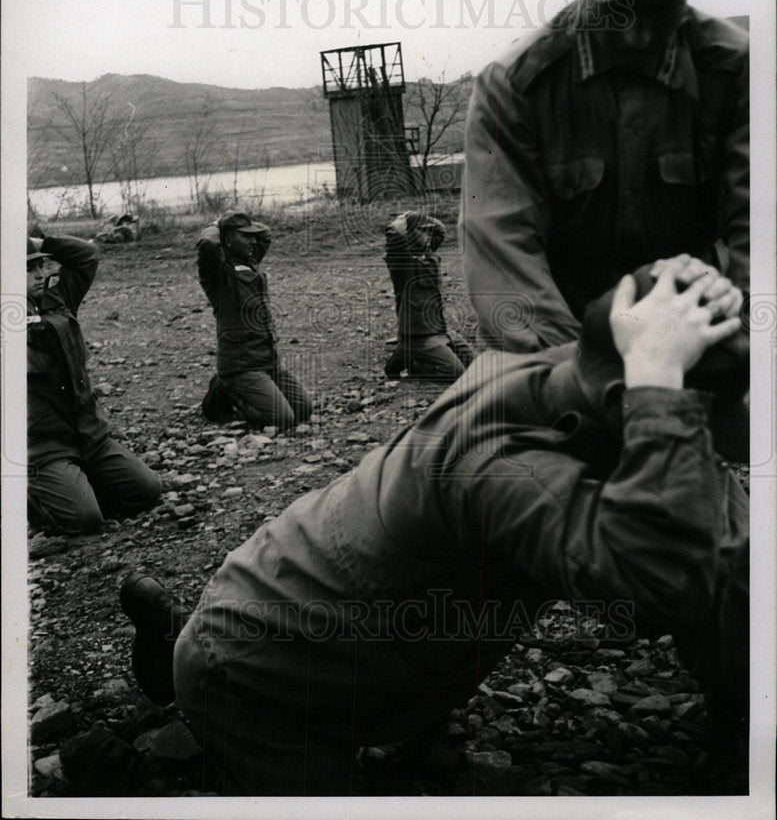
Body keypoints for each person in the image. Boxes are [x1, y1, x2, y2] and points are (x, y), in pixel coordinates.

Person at [121, 254, 748, 795]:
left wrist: (681, 298)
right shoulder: (499, 466)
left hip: (337, 620)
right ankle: (174, 659)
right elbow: (669, 578)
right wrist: (666, 390)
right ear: (631, 398)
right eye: (725, 406)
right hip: (256, 673)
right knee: (216, 698)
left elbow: (725, 559)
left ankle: (180, 651)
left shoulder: (569, 370)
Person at [460, 0, 749, 353]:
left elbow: (759, 236)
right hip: (555, 340)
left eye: (662, 7)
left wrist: (742, 353)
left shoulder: (736, 71)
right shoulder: (515, 86)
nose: (639, 37)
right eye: (617, 7)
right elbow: (504, 258)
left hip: (692, 327)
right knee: (471, 425)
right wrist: (583, 378)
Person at [27, 235, 162, 535]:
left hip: (89, 434)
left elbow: (87, 255)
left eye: (40, 265)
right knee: (84, 521)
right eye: (28, 270)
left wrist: (40, 239)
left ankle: (76, 485)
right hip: (43, 447)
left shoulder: (58, 296)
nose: (40, 275)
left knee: (148, 490)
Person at [197, 210, 312, 430]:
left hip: (267, 360)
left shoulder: (249, 260)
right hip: (241, 364)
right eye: (245, 236)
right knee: (283, 420)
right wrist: (216, 224)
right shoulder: (218, 272)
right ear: (228, 239)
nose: (253, 241)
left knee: (304, 409)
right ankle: (226, 389)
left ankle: (232, 386)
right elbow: (208, 245)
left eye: (252, 236)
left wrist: (240, 223)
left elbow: (265, 234)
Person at [383, 210, 475, 380]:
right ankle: (415, 362)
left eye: (428, 231)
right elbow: (395, 233)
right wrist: (403, 219)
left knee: (475, 364)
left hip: (440, 329)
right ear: (409, 235)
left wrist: (421, 217)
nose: (427, 235)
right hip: (419, 335)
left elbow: (440, 231)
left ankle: (407, 353)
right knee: (458, 374)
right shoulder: (400, 263)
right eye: (421, 230)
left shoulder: (430, 258)